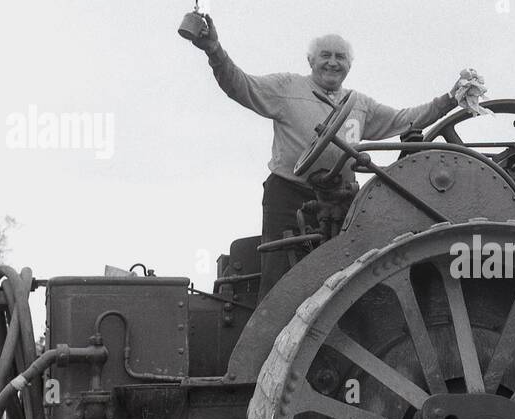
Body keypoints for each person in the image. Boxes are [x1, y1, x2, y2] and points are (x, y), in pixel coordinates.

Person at [187, 15, 484, 296]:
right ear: (311, 60)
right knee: (280, 281)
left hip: (342, 203)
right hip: (289, 197)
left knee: (352, 278)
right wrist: (214, 50)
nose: (332, 62)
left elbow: (406, 120)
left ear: (349, 65)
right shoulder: (286, 88)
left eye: (340, 57)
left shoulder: (359, 105)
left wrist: (449, 99)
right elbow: (239, 85)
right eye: (325, 55)